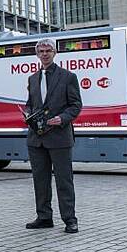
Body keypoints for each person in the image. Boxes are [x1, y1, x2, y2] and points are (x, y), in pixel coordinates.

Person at [23, 38, 82, 234]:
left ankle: (70, 219)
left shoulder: (68, 77)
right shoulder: (32, 78)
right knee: (40, 180)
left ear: (55, 53)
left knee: (64, 180)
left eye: (48, 50)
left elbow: (75, 105)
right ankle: (44, 217)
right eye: (41, 51)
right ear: (37, 54)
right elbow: (30, 103)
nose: (45, 54)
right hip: (36, 138)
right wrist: (27, 113)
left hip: (59, 137)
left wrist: (63, 118)